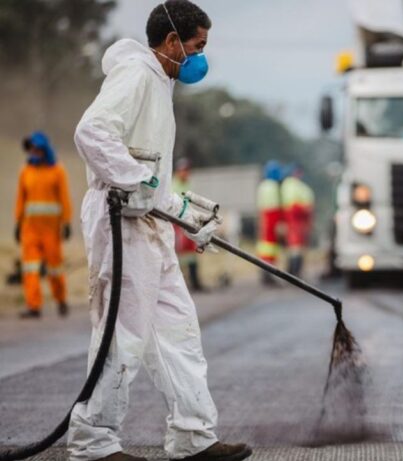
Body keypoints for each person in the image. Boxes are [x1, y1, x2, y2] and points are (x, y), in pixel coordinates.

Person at [68, 2, 252, 461]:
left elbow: (148, 174)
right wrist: (139, 182)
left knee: (178, 332)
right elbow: (92, 134)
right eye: (197, 46)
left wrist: (188, 211)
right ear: (172, 41)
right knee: (121, 336)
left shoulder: (159, 83)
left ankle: (193, 437)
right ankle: (93, 443)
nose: (200, 58)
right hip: (121, 227)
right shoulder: (136, 76)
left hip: (147, 227)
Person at [14, 131, 72, 319]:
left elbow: (64, 198)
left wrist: (67, 222)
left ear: (44, 150)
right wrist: (18, 222)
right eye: (31, 150)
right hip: (30, 230)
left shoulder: (57, 171)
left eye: (36, 150)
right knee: (30, 269)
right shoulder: (26, 171)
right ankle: (34, 307)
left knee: (55, 269)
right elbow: (21, 199)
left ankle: (61, 299)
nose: (33, 153)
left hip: (51, 231)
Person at [172, 157, 205, 291]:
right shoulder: (174, 185)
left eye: (187, 170)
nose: (186, 173)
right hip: (178, 222)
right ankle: (180, 285)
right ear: (178, 171)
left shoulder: (187, 184)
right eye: (183, 170)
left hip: (188, 222)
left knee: (191, 253)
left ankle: (194, 281)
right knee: (178, 254)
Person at [280, 164, 315, 277]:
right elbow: (297, 205)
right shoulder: (294, 186)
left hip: (296, 219)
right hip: (296, 219)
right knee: (296, 247)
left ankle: (292, 272)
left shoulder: (289, 185)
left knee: (295, 248)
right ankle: (294, 273)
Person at [256, 160, 283, 285]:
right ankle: (269, 274)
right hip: (272, 217)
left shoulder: (262, 185)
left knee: (265, 246)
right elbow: (276, 205)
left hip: (264, 217)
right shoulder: (273, 186)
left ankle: (265, 273)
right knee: (270, 247)